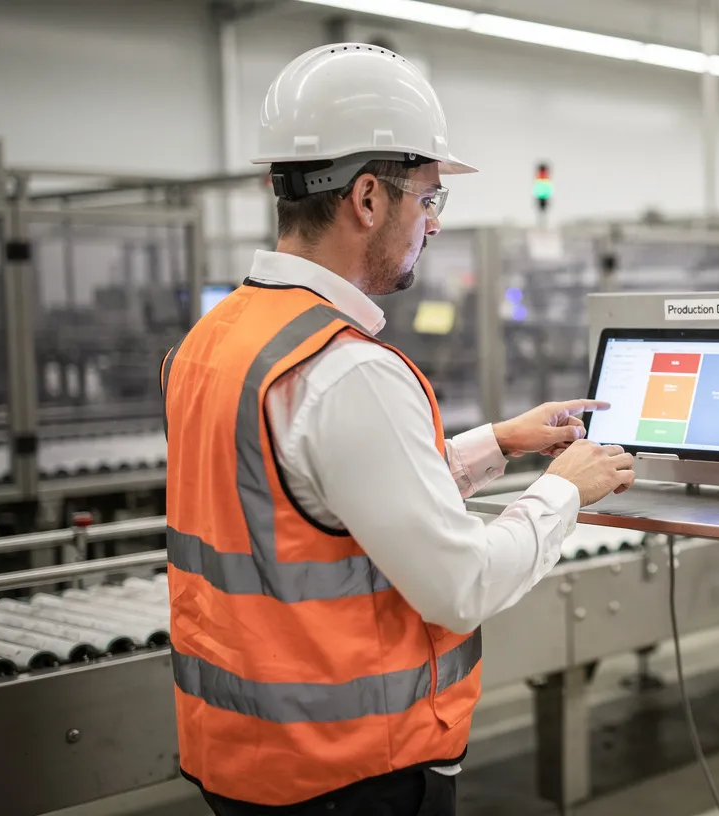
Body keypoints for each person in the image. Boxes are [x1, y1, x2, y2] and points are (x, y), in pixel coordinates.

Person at [160, 43, 636, 816]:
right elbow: (462, 586)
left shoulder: (214, 341)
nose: (435, 225)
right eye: (430, 198)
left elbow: (326, 497)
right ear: (369, 199)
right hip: (349, 775)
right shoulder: (349, 371)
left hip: (244, 757)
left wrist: (500, 443)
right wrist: (562, 493)